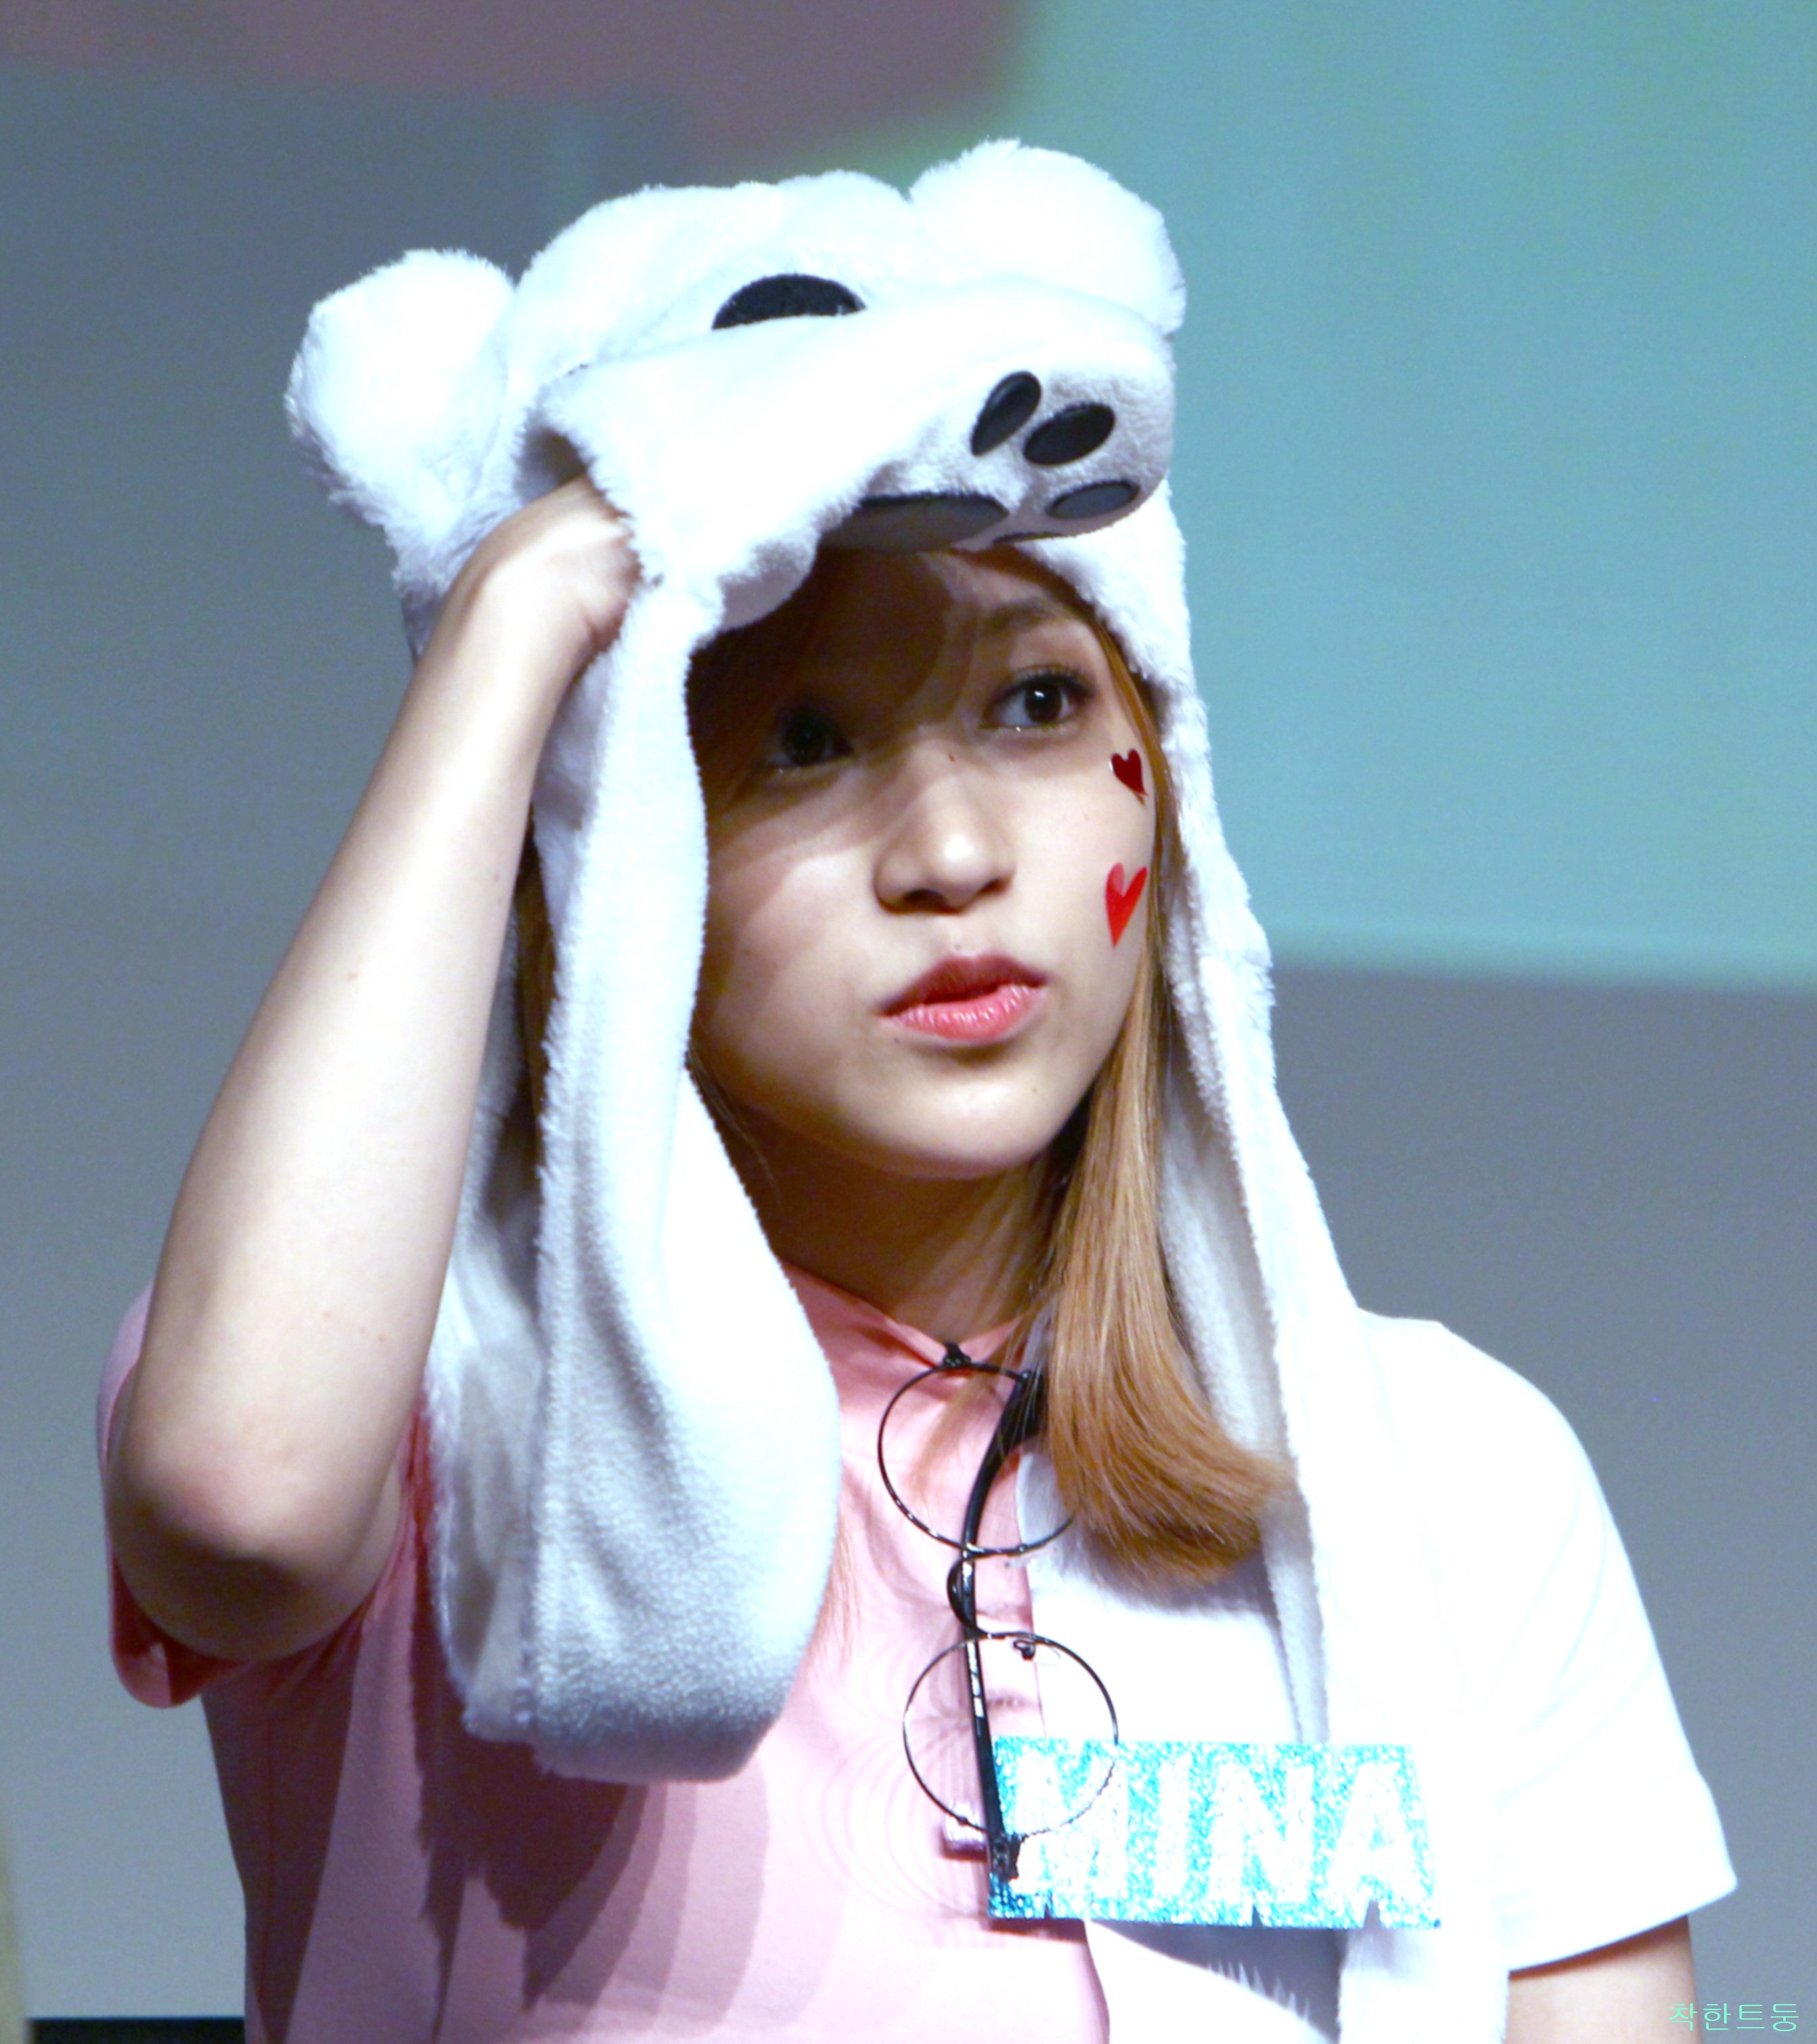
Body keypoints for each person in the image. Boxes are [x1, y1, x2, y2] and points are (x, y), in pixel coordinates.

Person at [98, 146, 1730, 2041]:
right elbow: (237, 1502)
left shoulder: (1446, 1471)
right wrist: (532, 600)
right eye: (799, 743)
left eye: (1037, 703)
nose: (953, 853)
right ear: (599, 841)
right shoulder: (433, 1409)